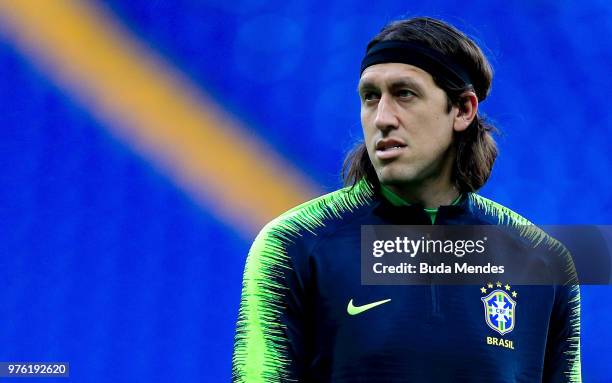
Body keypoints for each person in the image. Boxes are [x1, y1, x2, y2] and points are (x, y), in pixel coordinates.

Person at [232, 16, 581, 382]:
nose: (382, 118)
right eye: (370, 97)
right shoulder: (294, 244)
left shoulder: (544, 262)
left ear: (462, 109)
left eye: (404, 94)